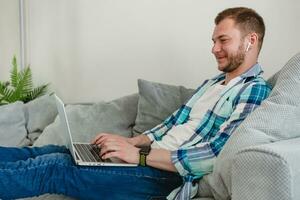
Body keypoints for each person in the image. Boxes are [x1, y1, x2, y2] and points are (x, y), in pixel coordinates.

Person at [0, 7, 271, 200]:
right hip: (149, 159)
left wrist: (139, 156)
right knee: (55, 151)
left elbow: (212, 155)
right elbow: (174, 123)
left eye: (223, 40)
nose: (214, 48)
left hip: (167, 176)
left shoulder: (254, 90)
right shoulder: (213, 83)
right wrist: (133, 142)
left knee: (56, 168)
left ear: (250, 41)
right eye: (213, 41)